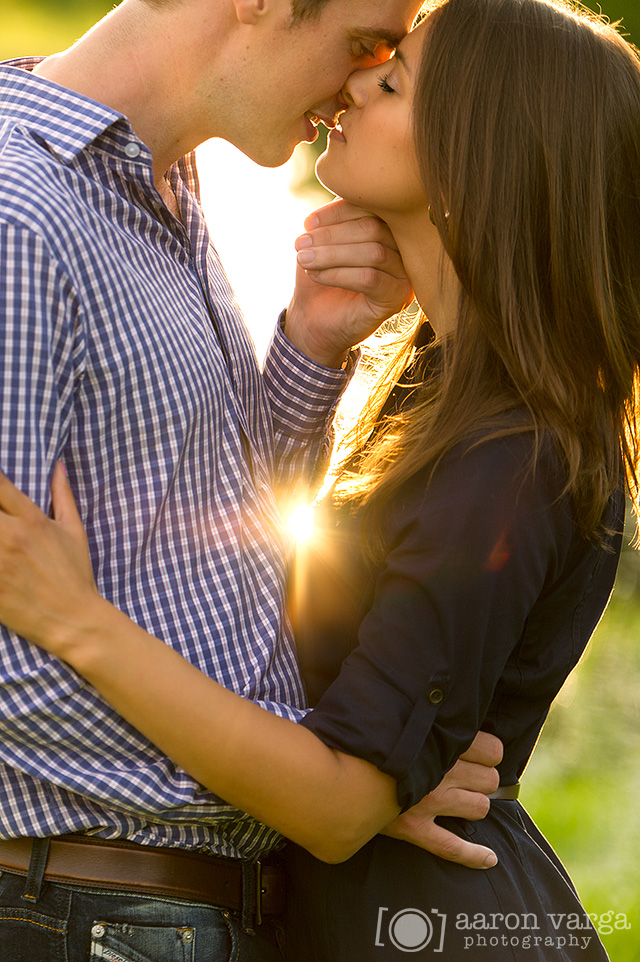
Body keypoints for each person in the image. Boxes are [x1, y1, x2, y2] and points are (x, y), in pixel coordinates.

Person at [2, 0, 637, 958]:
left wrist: (331, 773)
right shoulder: (28, 213)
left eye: (389, 76)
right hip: (131, 910)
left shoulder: (508, 448)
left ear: (478, 152)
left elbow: (217, 574)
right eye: (361, 52)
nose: (351, 85)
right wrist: (320, 774)